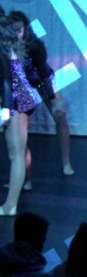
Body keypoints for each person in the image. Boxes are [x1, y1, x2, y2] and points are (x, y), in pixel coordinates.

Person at [6, 11, 74, 178]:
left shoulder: (35, 45)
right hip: (21, 85)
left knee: (60, 116)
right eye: (13, 30)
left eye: (19, 30)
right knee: (19, 132)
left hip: (41, 79)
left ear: (26, 29)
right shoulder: (6, 46)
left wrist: (53, 99)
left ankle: (66, 162)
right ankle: (25, 178)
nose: (16, 34)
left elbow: (43, 72)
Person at [0, 16, 42, 215]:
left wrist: (5, 110)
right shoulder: (9, 45)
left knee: (16, 154)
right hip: (16, 99)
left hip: (16, 100)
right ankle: (23, 184)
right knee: (20, 151)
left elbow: (7, 81)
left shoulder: (4, 47)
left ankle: (10, 205)